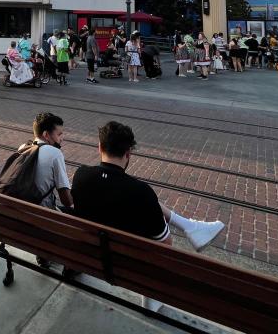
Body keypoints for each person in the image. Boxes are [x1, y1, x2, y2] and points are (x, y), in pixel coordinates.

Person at [71, 120, 225, 308]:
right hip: (130, 268)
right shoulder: (141, 191)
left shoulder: (81, 175)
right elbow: (165, 247)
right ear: (128, 154)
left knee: (144, 203)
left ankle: (190, 226)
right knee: (149, 210)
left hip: (90, 255)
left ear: (99, 147)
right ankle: (190, 227)